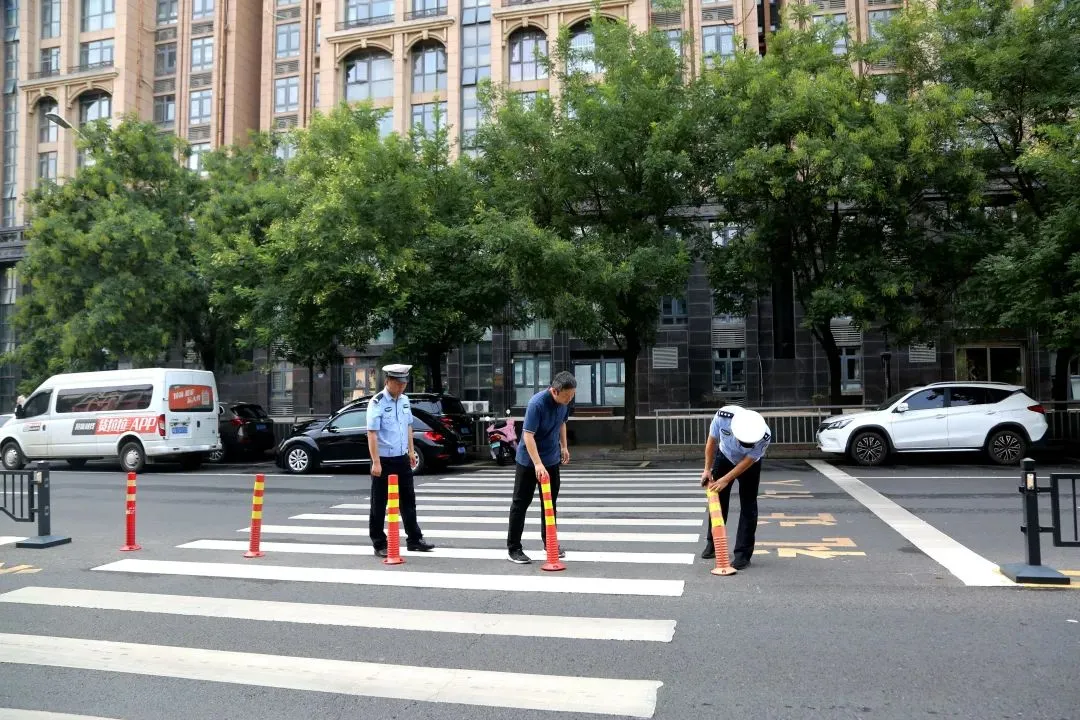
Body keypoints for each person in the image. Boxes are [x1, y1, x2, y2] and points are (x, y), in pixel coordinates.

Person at [506, 370, 577, 564]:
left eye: (572, 396)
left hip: (551, 460)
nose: (569, 400)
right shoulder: (537, 404)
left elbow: (562, 423)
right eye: (566, 396)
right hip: (529, 462)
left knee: (550, 504)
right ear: (554, 391)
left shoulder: (563, 404)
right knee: (521, 504)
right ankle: (514, 548)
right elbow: (527, 435)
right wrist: (537, 463)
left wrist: (564, 446)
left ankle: (550, 543)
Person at [365, 363, 434, 558]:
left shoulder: (404, 400)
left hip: (401, 458)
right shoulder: (377, 402)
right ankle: (379, 543)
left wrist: (411, 451)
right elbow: (372, 433)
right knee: (379, 504)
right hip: (384, 460)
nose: (402, 387)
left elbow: (408, 427)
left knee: (408, 501)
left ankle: (414, 539)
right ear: (388, 381)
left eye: (404, 384)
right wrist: (376, 461)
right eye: (398, 383)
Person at [699, 405, 771, 569]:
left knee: (748, 505)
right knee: (717, 502)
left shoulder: (764, 435)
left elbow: (749, 460)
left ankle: (743, 554)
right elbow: (711, 441)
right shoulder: (723, 417)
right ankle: (713, 545)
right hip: (724, 456)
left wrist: (726, 479)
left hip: (749, 465)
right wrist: (707, 470)